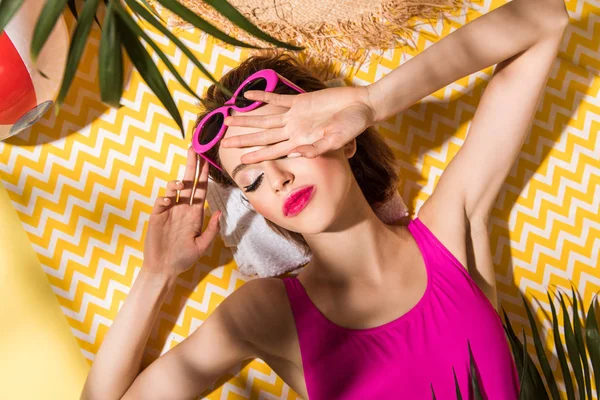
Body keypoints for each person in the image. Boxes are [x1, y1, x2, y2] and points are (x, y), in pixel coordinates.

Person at [81, 0, 569, 398]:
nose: (277, 179)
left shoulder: (450, 226)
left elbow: (544, 18)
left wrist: (372, 100)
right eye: (250, 182)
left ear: (345, 137)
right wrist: (156, 274)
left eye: (288, 148)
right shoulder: (265, 314)